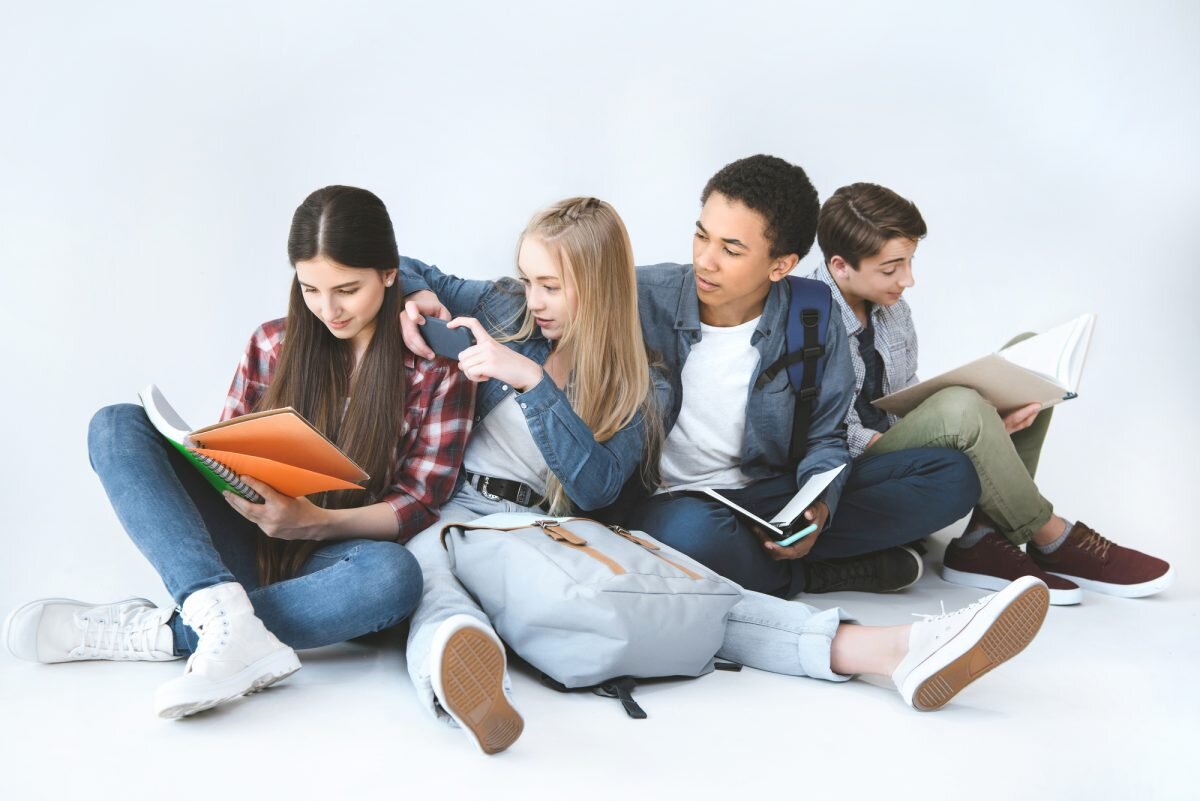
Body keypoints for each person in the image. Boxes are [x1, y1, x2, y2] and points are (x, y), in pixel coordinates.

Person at [400, 196, 1050, 758]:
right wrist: (414, 296)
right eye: (529, 279)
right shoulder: (507, 308)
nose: (535, 299)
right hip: (457, 511)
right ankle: (466, 669)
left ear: (599, 287)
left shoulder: (642, 382)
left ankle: (894, 648)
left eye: (552, 285)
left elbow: (594, 488)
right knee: (434, 586)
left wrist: (532, 382)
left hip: (551, 529)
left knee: (685, 594)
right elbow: (393, 264)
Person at [4, 185, 474, 719]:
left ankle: (165, 632)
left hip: (333, 563)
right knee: (115, 424)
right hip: (245, 538)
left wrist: (314, 522)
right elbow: (227, 452)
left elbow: (419, 502)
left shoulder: (438, 370)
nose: (328, 309)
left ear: (390, 274)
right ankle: (218, 609)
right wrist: (222, 470)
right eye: (310, 289)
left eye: (347, 289)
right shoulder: (273, 342)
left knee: (394, 577)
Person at [602, 154, 981, 597]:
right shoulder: (638, 296)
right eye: (701, 236)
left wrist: (819, 507)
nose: (705, 261)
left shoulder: (812, 313)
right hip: (669, 503)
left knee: (954, 476)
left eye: (730, 250)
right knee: (692, 534)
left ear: (780, 265)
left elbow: (825, 437)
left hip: (770, 495)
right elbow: (546, 305)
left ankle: (764, 556)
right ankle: (816, 574)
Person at [812, 181, 1174, 603]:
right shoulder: (806, 318)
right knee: (961, 407)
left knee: (1026, 360)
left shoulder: (892, 308)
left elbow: (903, 394)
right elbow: (823, 434)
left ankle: (983, 540)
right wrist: (962, 425)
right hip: (848, 469)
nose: (908, 280)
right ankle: (1053, 536)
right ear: (841, 266)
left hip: (896, 445)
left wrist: (984, 427)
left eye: (909, 262)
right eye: (891, 269)